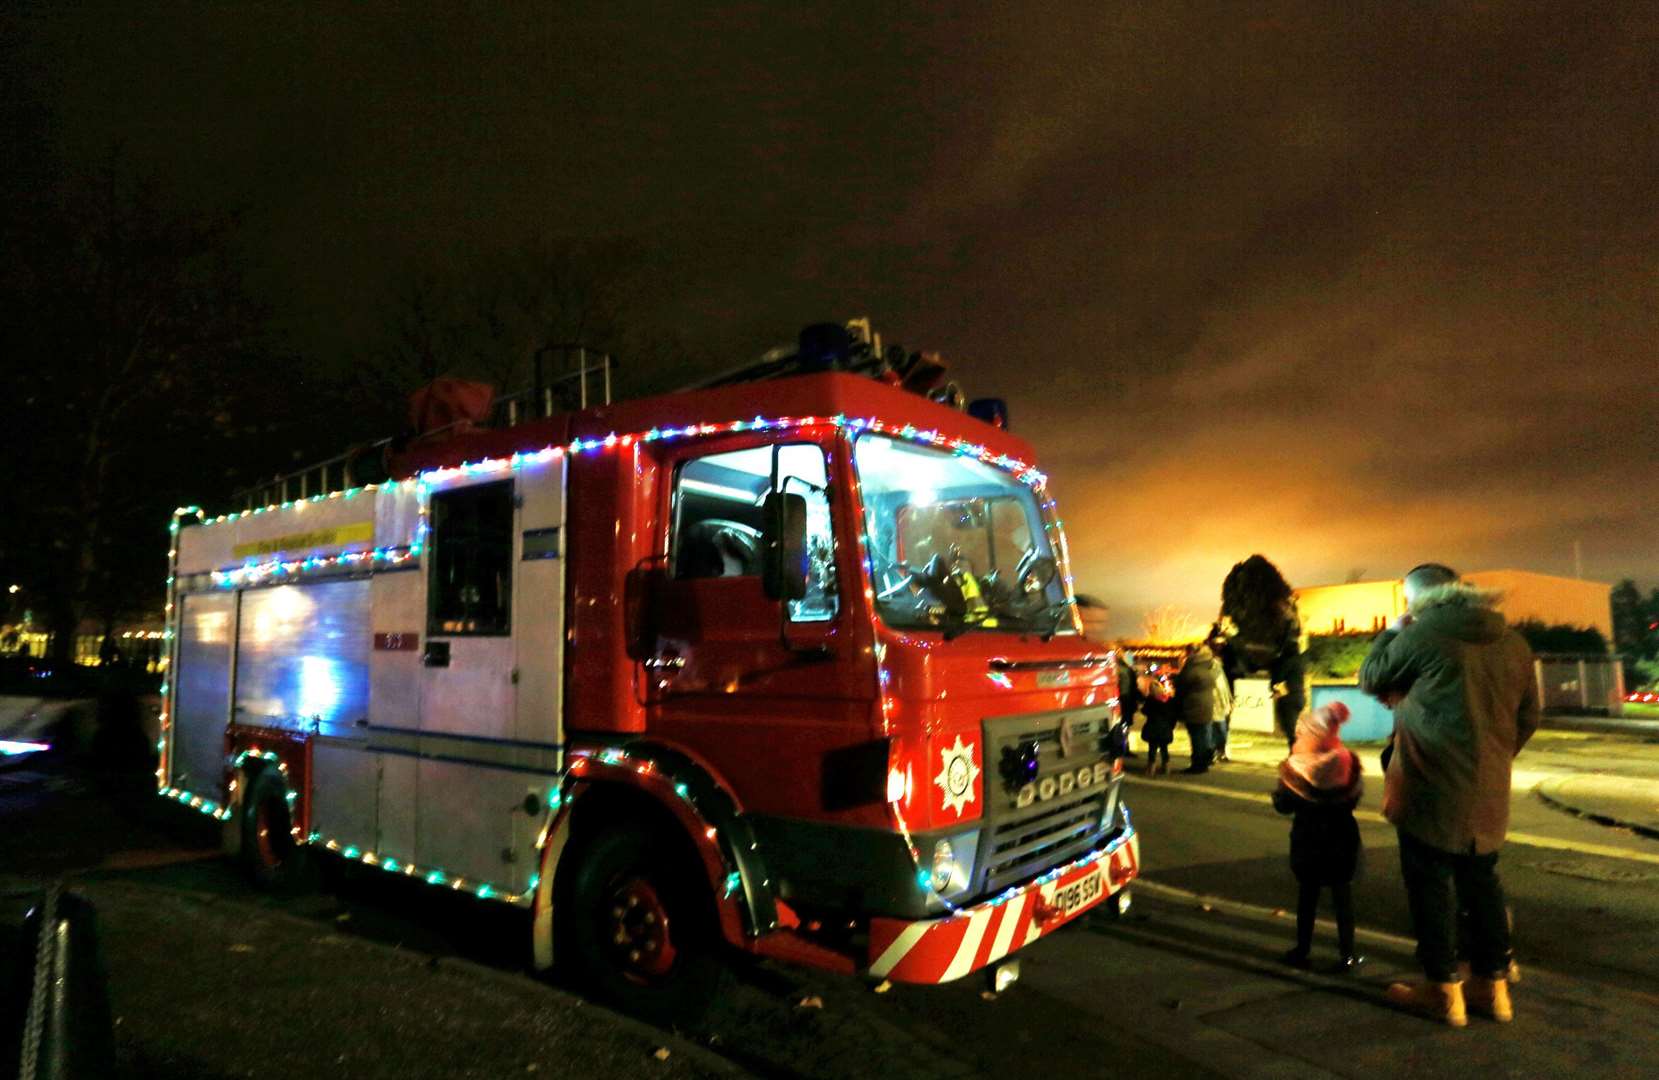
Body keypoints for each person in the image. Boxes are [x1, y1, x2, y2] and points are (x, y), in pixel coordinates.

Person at [1359, 563, 1539, 1027]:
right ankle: (1493, 989)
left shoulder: (1423, 636)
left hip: (1429, 781)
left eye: (1405, 601)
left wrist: (1390, 634)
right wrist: (1496, 758)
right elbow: (1528, 717)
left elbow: (1372, 677)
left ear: (1420, 599)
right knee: (1482, 883)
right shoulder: (1514, 642)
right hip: (1487, 787)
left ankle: (1443, 990)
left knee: (1430, 884)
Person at [1273, 701, 1364, 973]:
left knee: (1307, 895)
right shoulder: (1347, 761)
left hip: (1308, 835)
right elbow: (1354, 799)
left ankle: (1302, 949)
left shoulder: (1297, 766)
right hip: (1341, 835)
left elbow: (1283, 805)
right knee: (1342, 897)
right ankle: (1347, 953)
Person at [1218, 555, 1306, 750]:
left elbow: (1225, 629)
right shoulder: (1285, 603)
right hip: (1278, 659)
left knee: (1224, 699)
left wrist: (1232, 640)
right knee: (1288, 704)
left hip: (1258, 658)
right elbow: (1296, 632)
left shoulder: (1240, 604)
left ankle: (1219, 745)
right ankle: (1295, 744)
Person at [1174, 640, 1221, 774]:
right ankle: (1205, 761)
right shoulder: (1209, 666)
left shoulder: (1192, 667)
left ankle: (1198, 765)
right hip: (1206, 705)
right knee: (1204, 735)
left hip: (1194, 707)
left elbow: (1181, 684)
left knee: (1197, 737)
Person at [1139, 666, 1178, 776]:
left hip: (1153, 728)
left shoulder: (1150, 700)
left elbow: (1144, 711)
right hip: (1165, 729)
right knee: (1164, 749)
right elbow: (1173, 715)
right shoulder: (1169, 701)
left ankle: (1151, 768)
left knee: (1152, 749)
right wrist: (1171, 726)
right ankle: (1166, 766)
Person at [1205, 624, 1234, 763]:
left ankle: (1221, 750)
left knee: (1222, 726)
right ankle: (1213, 751)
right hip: (1212, 696)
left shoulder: (1228, 656)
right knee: (1214, 726)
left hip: (1223, 695)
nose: (1218, 646)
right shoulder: (1208, 659)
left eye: (1220, 643)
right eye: (1216, 643)